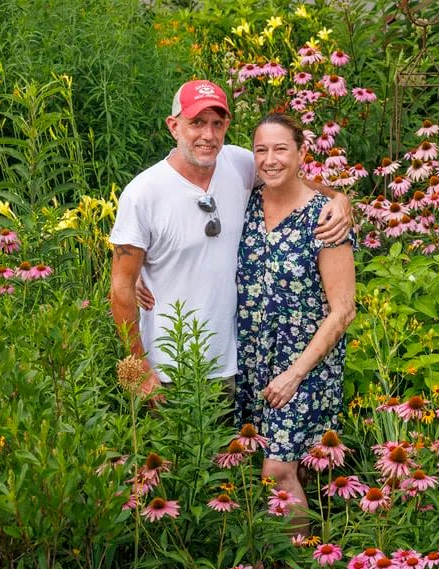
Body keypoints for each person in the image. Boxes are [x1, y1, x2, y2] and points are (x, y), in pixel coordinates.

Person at [109, 80, 351, 398]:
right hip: (167, 369)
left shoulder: (237, 164)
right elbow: (120, 287)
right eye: (197, 123)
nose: (208, 135)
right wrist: (141, 369)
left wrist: (339, 197)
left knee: (227, 449)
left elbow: (289, 176)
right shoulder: (144, 193)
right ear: (174, 126)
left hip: (230, 369)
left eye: (217, 123)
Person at [234, 112, 356, 517]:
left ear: (302, 153)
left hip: (306, 363)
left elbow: (343, 311)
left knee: (277, 469)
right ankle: (288, 554)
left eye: (281, 149)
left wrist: (296, 372)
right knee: (278, 463)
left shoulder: (325, 219)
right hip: (255, 359)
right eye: (261, 149)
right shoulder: (246, 205)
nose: (270, 159)